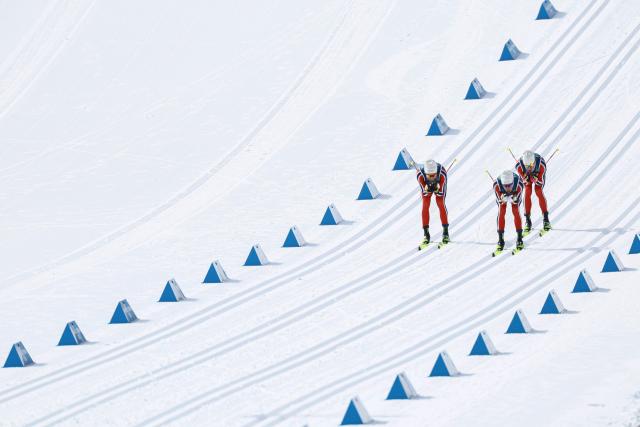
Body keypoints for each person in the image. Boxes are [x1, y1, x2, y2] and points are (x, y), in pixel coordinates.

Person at [515, 150, 551, 233]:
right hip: (527, 176)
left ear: (534, 162)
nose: (529, 168)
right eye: (526, 166)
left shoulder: (541, 165)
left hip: (538, 176)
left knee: (538, 190)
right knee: (528, 191)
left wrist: (536, 180)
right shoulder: (519, 166)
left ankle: (546, 220)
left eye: (531, 165)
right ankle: (528, 221)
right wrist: (525, 178)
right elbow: (522, 180)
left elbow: (541, 182)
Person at [417, 159, 449, 247]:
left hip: (439, 183)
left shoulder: (441, 174)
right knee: (425, 204)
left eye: (433, 175)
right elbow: (424, 192)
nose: (432, 178)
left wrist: (438, 189)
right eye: (429, 176)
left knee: (440, 202)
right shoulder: (420, 175)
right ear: (425, 174)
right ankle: (426, 234)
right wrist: (426, 188)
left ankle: (446, 232)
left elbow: (440, 192)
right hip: (426, 185)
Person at [493, 170, 524, 251]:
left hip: (515, 193)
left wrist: (514, 198)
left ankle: (520, 239)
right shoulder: (497, 185)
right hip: (502, 194)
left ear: (513, 183)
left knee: (515, 210)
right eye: (505, 186)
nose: (507, 188)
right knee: (501, 210)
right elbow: (499, 201)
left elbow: (517, 201)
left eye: (509, 185)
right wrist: (502, 199)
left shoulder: (519, 184)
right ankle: (500, 240)